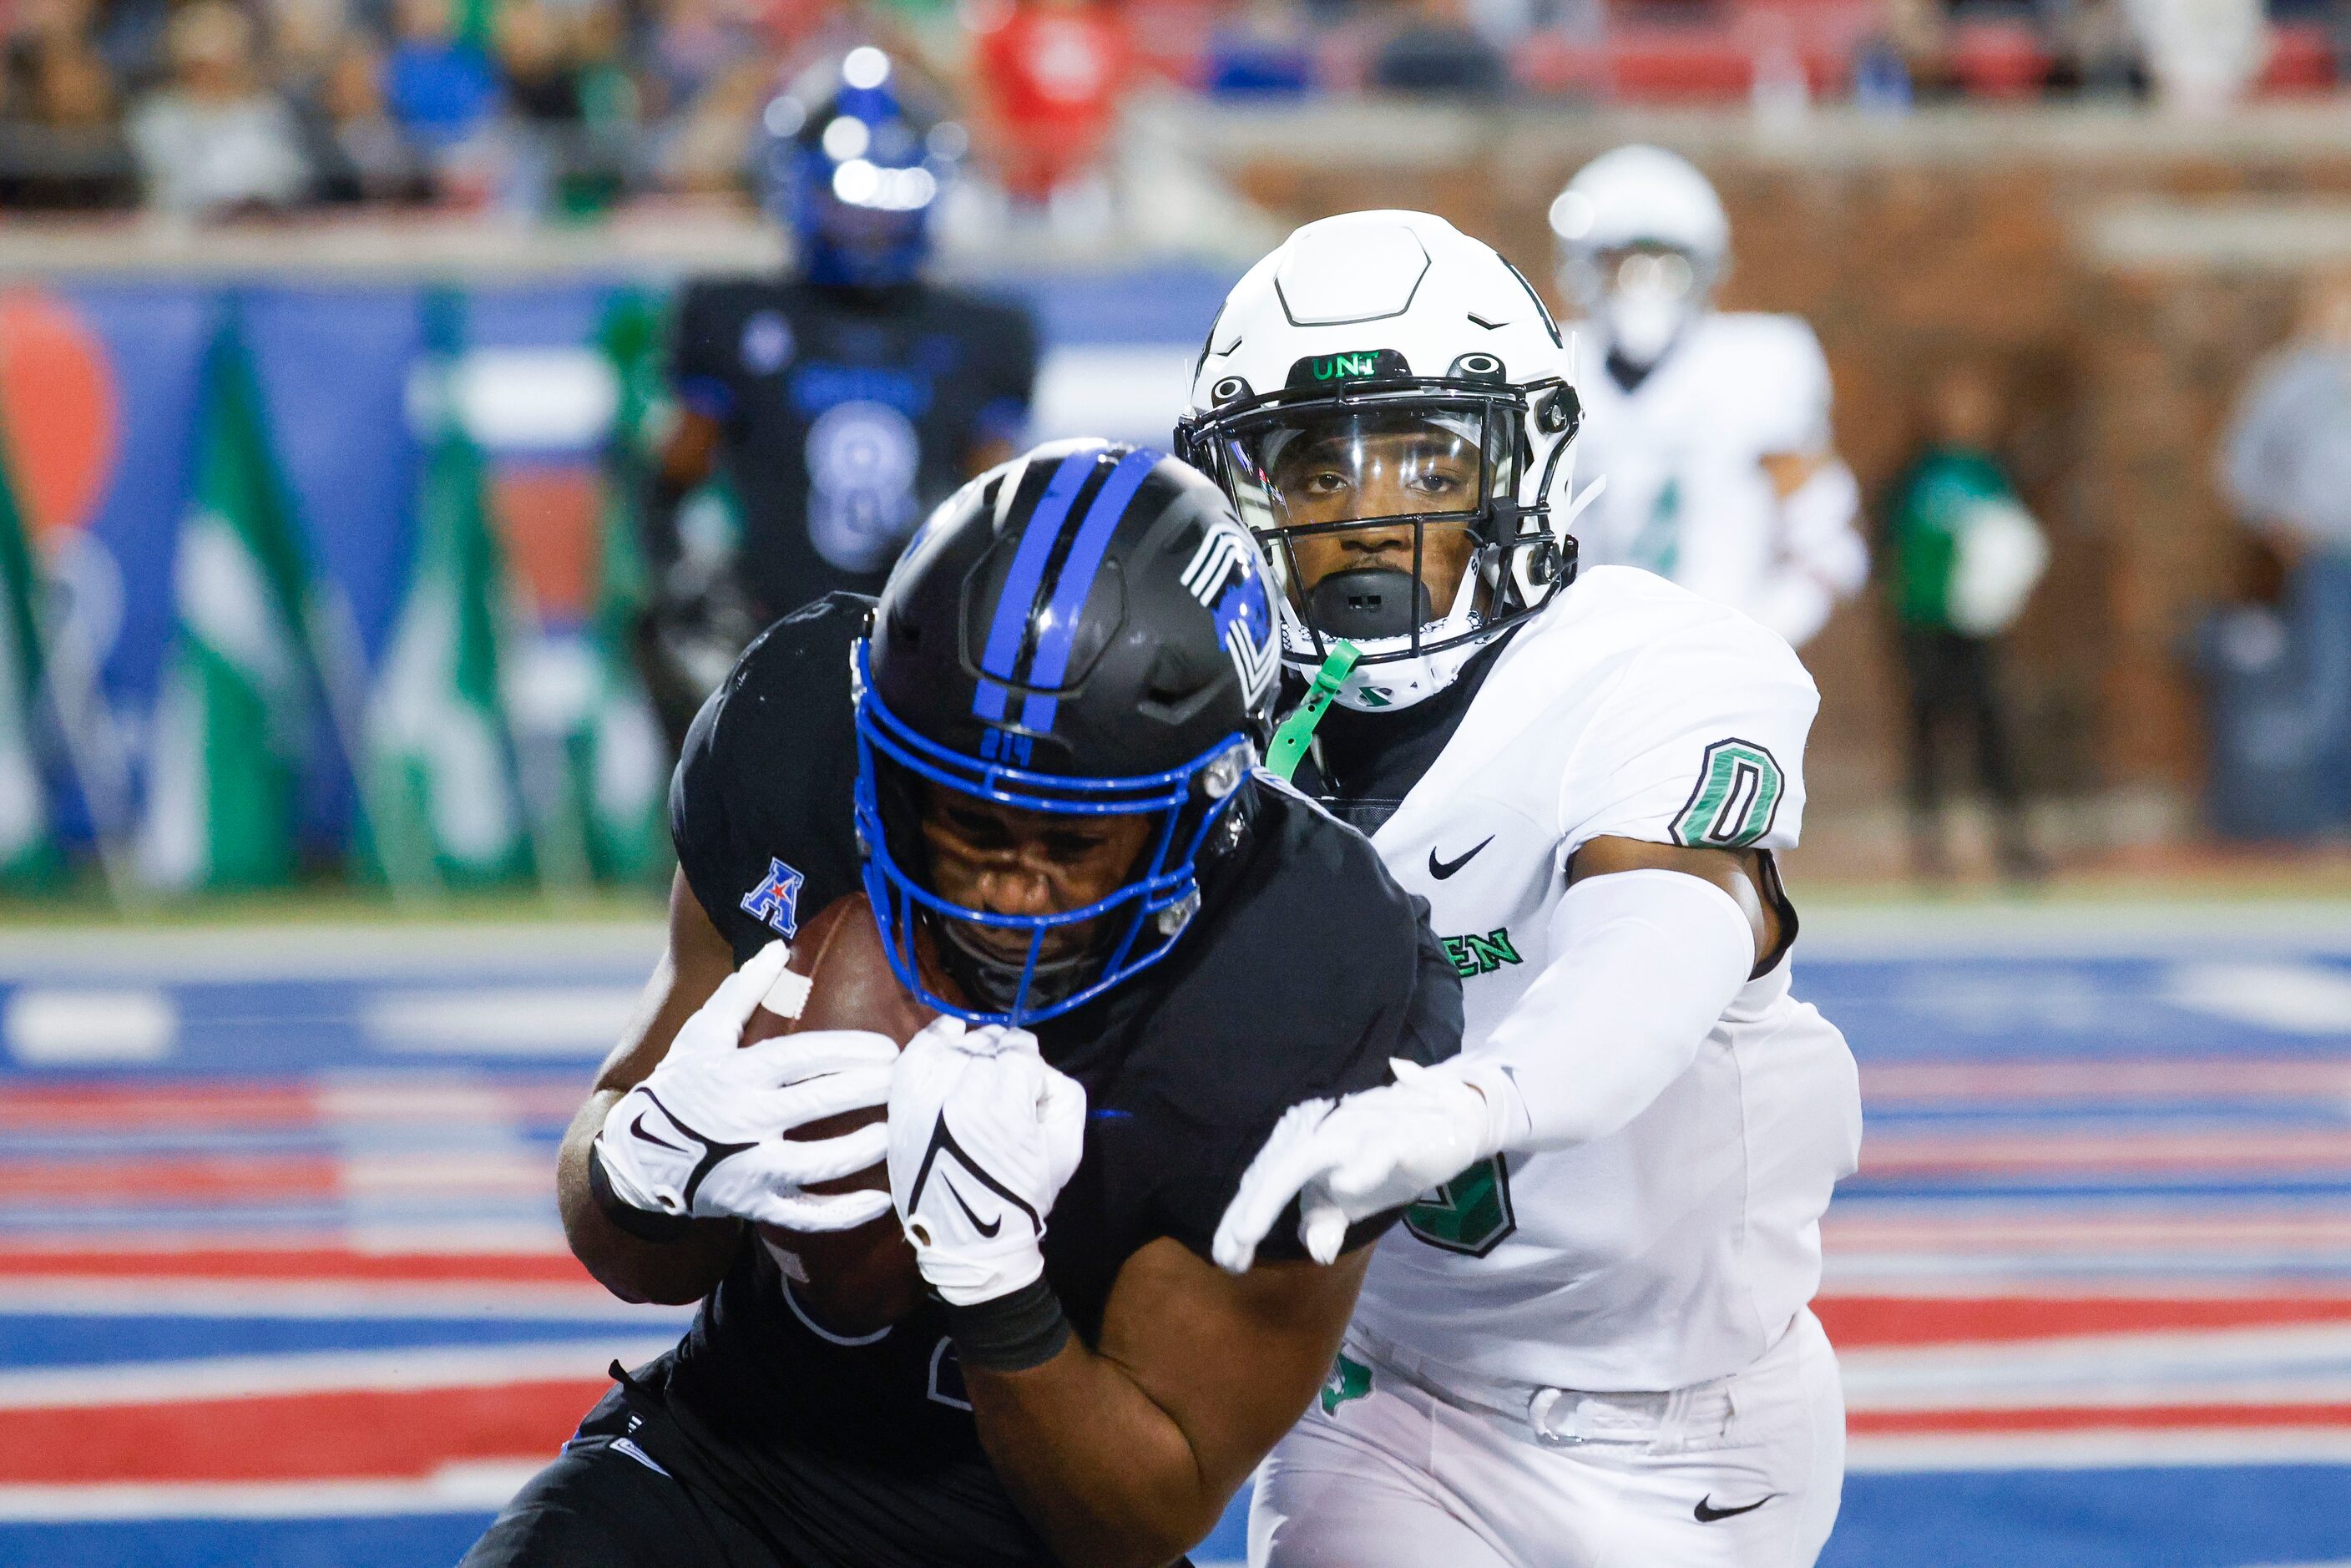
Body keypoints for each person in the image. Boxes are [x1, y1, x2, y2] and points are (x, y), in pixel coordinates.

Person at [464, 439, 1464, 1568]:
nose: (1007, 885)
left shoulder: (1311, 973)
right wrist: (633, 1163)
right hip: (729, 1460)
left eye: (1072, 838)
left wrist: (996, 1282)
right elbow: (639, 1258)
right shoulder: (800, 741)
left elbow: (1143, 1514)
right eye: (971, 821)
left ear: (1207, 811)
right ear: (889, 767)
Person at [1176, 210, 1861, 1567]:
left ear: (1524, 458)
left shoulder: (1650, 663)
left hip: (1700, 1423)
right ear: (1245, 491)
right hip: (1388, 1397)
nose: (1369, 507)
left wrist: (1468, 1102)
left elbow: (1651, 955)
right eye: (1318, 467)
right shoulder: (1199, 725)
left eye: (1422, 454)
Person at [640, 45, 1039, 751]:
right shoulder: (734, 316)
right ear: (795, 191)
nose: (869, 230)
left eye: (886, 206)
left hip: (916, 633)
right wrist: (682, 575)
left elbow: (996, 512)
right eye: (846, 204)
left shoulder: (984, 333)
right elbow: (670, 483)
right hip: (763, 620)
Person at [1550, 144, 1866, 650]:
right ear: (1587, 267)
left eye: (1665, 264)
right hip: (1589, 663)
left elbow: (1828, 546)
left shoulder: (1756, 367)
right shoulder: (1552, 369)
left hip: (1722, 656)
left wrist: (1753, 639)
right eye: (1623, 263)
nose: (1644, 286)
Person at [1883, 360, 2050, 881]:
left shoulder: (1995, 473)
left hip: (1977, 628)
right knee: (1928, 729)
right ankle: (1930, 846)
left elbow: (2015, 545)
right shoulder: (1914, 474)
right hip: (1924, 622)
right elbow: (1890, 540)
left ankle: (2012, 842)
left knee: (1991, 729)